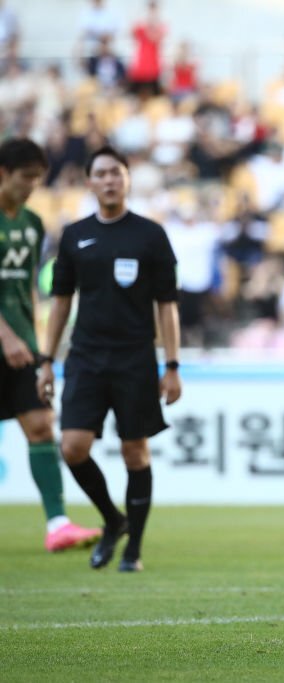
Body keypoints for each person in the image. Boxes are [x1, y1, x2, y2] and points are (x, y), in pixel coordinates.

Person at [36, 145, 182, 573]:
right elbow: (61, 303)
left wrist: (171, 365)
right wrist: (47, 359)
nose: (109, 180)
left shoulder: (150, 235)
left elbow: (166, 305)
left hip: (135, 358)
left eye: (116, 173)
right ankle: (112, 519)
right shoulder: (74, 234)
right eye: (100, 174)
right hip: (85, 357)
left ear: (127, 179)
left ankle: (133, 549)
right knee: (73, 447)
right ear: (89, 182)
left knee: (135, 453)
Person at [0, 138, 101, 553]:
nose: (31, 187)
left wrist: (38, 347)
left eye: (37, 180)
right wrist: (5, 337)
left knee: (41, 425)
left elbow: (26, 290)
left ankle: (57, 524)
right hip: (7, 340)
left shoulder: (33, 223)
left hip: (21, 342)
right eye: (26, 178)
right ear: (3, 173)